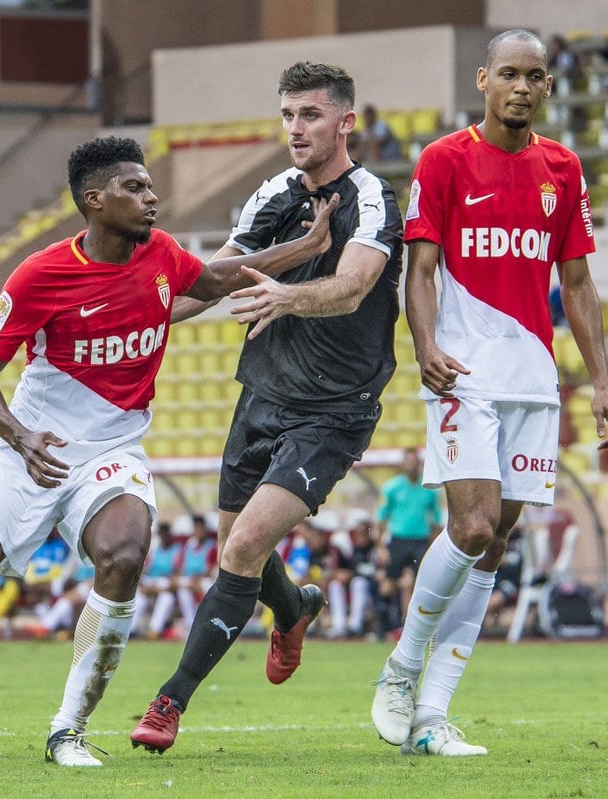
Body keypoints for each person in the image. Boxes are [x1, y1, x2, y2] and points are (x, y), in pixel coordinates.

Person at [0, 134, 340, 767]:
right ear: (94, 200)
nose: (151, 197)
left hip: (113, 448)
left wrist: (307, 246)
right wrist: (20, 437)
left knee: (124, 554)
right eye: (134, 188)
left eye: (150, 186)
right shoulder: (40, 274)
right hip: (33, 445)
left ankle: (68, 729)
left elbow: (215, 279)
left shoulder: (161, 252)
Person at [131, 61, 404, 756]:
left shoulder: (374, 198)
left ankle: (169, 701)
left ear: (345, 121)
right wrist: (139, 318)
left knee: (245, 545)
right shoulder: (274, 194)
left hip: (333, 410)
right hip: (261, 396)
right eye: (287, 115)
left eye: (310, 114)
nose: (295, 129)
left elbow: (353, 285)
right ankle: (294, 606)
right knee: (238, 548)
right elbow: (212, 280)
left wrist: (287, 296)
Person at [370, 29, 608, 757]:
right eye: (508, 73)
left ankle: (431, 716)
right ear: (483, 80)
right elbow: (420, 271)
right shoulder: (444, 159)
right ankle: (401, 667)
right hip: (463, 370)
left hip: (532, 378)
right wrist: (425, 346)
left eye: (534, 76)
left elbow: (578, 281)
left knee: (496, 545)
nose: (521, 86)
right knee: (475, 527)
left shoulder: (562, 168)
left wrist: (601, 384)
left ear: (547, 86)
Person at [374, 448, 442, 632]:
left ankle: (408, 626)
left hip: (420, 541)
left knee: (415, 584)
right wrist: (380, 546)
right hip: (398, 540)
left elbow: (436, 521)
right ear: (403, 464)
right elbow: (381, 519)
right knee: (388, 585)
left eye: (414, 462)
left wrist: (434, 545)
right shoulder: (392, 488)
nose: (412, 466)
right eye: (409, 462)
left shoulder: (429, 490)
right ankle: (382, 623)